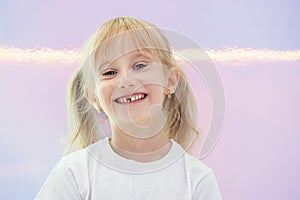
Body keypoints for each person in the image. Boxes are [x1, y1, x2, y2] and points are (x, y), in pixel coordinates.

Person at [35, 17, 222, 200]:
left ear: (170, 81)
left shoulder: (198, 180)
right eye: (109, 72)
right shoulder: (74, 173)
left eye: (139, 65)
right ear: (93, 97)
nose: (125, 80)